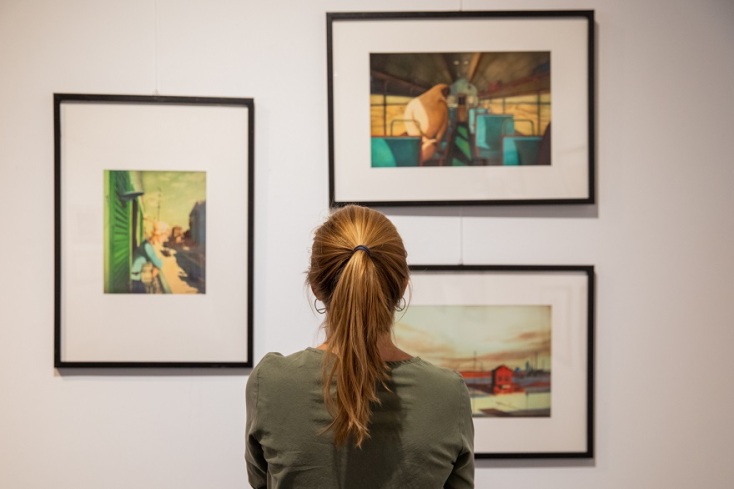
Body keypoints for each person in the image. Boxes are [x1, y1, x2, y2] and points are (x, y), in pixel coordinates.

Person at [245, 205, 474, 488]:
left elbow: (261, 481)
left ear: (315, 285)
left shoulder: (271, 383)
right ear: (402, 286)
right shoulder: (448, 393)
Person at [130, 221, 168, 293]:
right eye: (165, 234)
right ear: (159, 234)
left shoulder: (147, 243)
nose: (166, 238)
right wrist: (157, 266)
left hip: (138, 278)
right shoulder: (147, 247)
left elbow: (157, 261)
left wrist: (156, 266)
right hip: (136, 280)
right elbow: (159, 263)